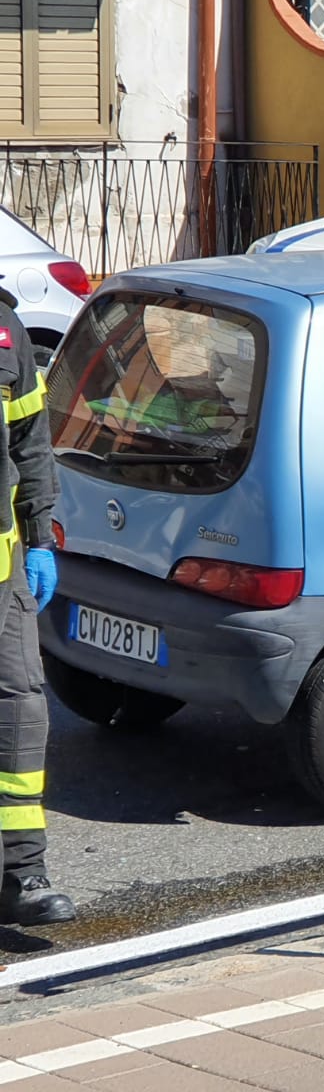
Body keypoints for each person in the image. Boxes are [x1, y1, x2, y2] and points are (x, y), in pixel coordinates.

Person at [0, 279, 72, 925]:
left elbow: (30, 439)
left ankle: (20, 875)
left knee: (21, 715)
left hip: (3, 579)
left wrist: (40, 533)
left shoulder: (3, 328)